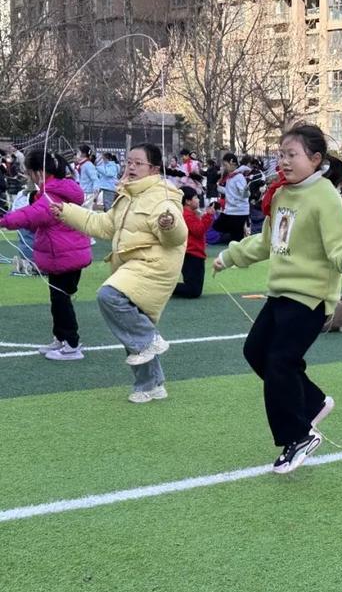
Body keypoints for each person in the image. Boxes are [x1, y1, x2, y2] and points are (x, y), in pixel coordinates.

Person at [213, 124, 342, 474]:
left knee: (280, 361)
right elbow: (267, 242)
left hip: (311, 297)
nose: (283, 161)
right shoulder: (281, 194)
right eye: (281, 154)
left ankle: (298, 436)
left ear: (315, 159)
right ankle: (312, 402)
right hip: (280, 292)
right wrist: (229, 256)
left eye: (292, 155)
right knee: (255, 352)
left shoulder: (325, 195)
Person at [51, 144, 188, 402]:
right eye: (129, 162)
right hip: (132, 265)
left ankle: (151, 339)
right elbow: (103, 225)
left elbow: (176, 237)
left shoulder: (164, 196)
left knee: (109, 296)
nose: (131, 167)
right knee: (132, 329)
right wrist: (67, 212)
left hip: (153, 266)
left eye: (138, 163)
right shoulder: (127, 195)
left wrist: (169, 225)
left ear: (154, 169)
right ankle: (151, 385)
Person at [0, 151, 92, 359]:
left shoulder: (51, 196)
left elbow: (29, 215)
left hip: (65, 255)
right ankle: (60, 338)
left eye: (29, 172)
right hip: (66, 254)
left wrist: (4, 221)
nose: (29, 177)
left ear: (39, 172)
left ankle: (71, 344)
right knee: (57, 298)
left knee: (61, 300)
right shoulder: (57, 189)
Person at [173, 187, 215, 298]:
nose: (198, 200)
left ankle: (166, 288)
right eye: (195, 197)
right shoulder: (187, 215)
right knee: (193, 290)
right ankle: (165, 288)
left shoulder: (189, 214)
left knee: (195, 289)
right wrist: (208, 216)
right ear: (187, 201)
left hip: (194, 253)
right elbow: (199, 231)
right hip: (192, 254)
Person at [214, 153, 250, 243]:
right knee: (219, 227)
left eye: (225, 165)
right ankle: (243, 233)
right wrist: (219, 188)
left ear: (231, 162)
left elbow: (245, 195)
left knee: (235, 238)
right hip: (232, 210)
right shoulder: (231, 176)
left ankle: (243, 235)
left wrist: (245, 191)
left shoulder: (239, 177)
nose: (224, 167)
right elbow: (230, 192)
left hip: (238, 211)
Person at [74, 144, 99, 210]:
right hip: (83, 191)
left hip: (88, 193)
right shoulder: (82, 164)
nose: (77, 154)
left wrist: (96, 191)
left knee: (86, 211)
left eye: (78, 152)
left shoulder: (88, 165)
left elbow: (95, 179)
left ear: (83, 154)